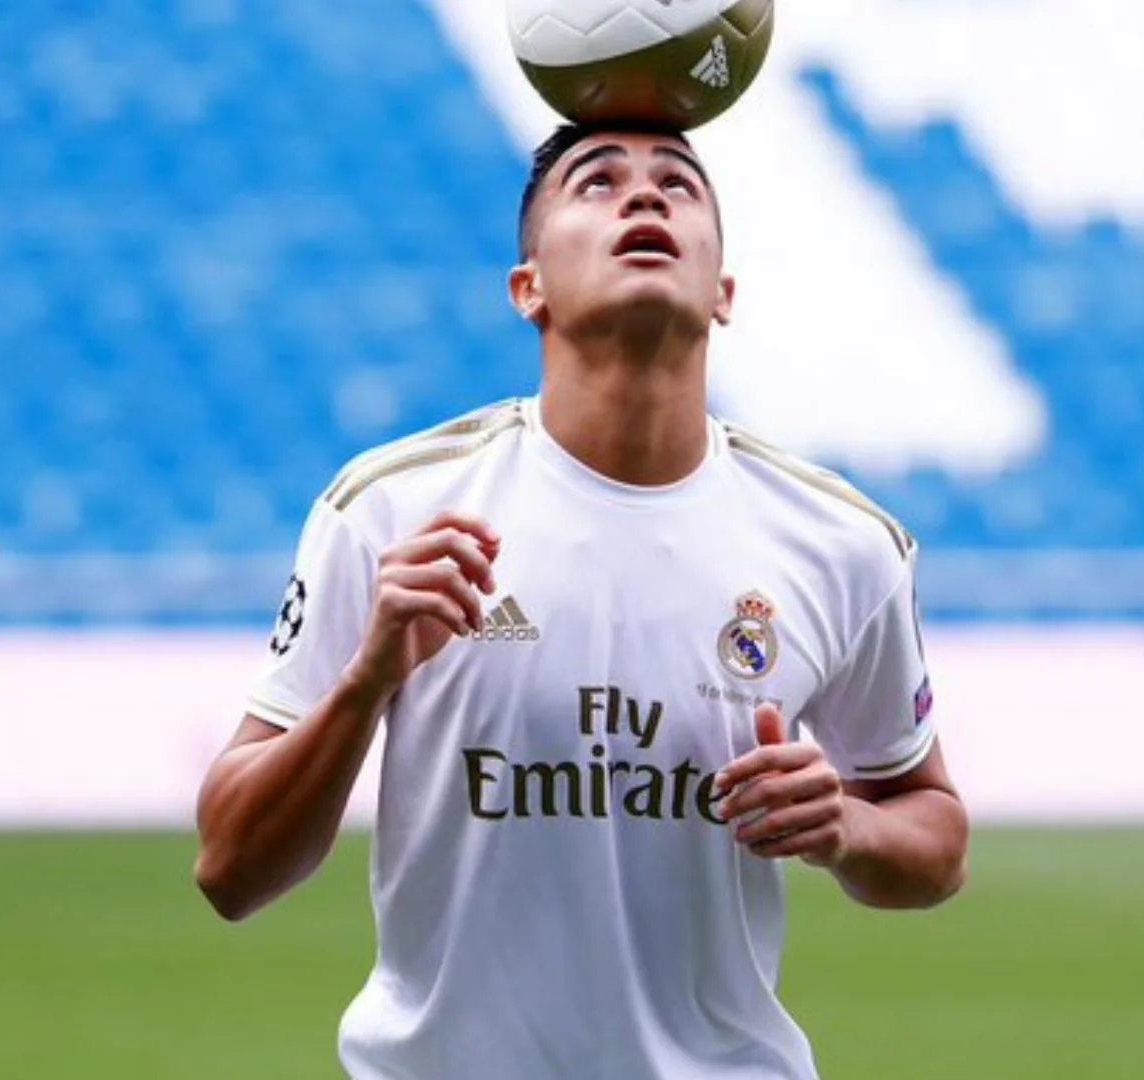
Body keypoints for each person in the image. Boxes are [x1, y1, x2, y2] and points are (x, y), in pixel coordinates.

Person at [194, 119, 970, 1079]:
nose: (646, 197)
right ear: (529, 289)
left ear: (723, 292)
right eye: (597, 182)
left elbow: (935, 835)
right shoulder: (391, 510)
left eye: (679, 184)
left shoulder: (842, 543)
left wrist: (848, 828)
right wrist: (366, 683)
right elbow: (229, 867)